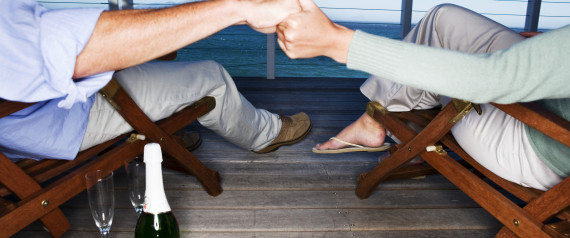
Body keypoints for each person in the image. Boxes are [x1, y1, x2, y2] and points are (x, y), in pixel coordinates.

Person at [276, 0, 569, 191]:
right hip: (553, 106)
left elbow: (486, 80)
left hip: (535, 147)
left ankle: (380, 125)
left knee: (447, 55)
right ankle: (386, 124)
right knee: (444, 18)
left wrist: (335, 41)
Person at [0, 0, 312, 161]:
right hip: (58, 122)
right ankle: (264, 134)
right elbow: (72, 52)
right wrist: (240, 7)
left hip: (17, 128)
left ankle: (159, 133)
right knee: (211, 75)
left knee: (143, 62)